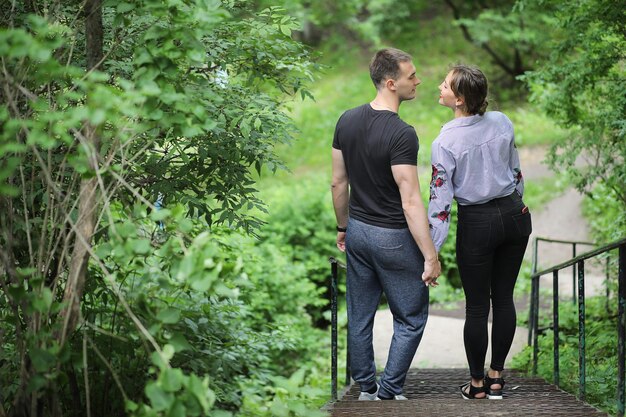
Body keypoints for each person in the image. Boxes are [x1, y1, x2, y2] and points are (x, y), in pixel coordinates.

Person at [331, 48, 441, 401]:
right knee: (410, 317)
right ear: (391, 83)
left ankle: (365, 388)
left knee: (360, 315)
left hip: (359, 232)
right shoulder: (401, 134)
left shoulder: (345, 120)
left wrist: (343, 227)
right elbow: (410, 201)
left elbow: (338, 183)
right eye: (411, 76)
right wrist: (430, 256)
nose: (418, 81)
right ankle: (389, 390)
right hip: (393, 237)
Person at [428, 65, 532, 399]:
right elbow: (515, 170)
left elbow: (440, 203)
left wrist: (432, 251)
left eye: (444, 84)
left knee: (476, 307)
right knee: (503, 298)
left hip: (477, 223)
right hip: (514, 216)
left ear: (458, 100)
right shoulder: (501, 121)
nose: (438, 87)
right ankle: (496, 377)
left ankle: (476, 386)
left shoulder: (444, 141)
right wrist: (519, 203)